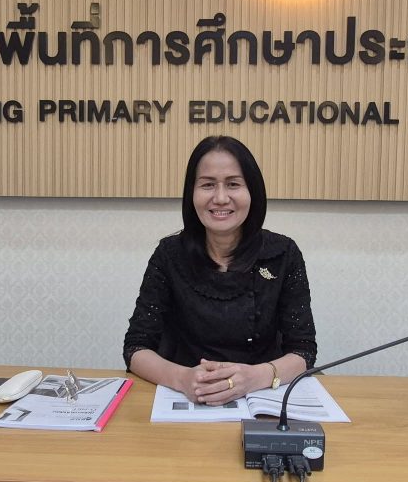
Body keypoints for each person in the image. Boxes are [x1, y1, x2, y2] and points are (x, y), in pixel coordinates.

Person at [123, 136, 317, 405]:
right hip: (186, 400)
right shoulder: (169, 254)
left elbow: (303, 351)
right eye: (208, 185)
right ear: (192, 193)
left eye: (233, 184)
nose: (221, 198)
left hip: (261, 400)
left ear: (253, 191)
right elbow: (136, 348)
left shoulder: (283, 254)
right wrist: (183, 378)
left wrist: (255, 377)